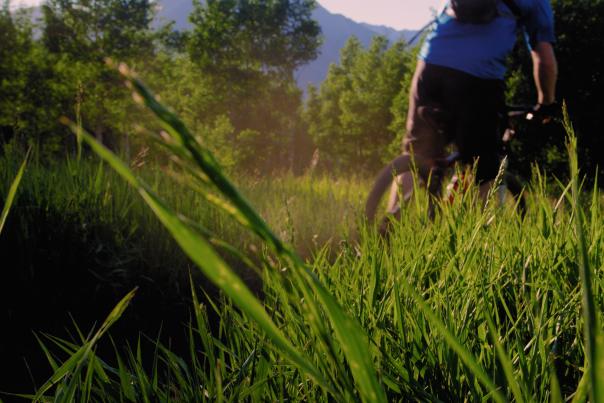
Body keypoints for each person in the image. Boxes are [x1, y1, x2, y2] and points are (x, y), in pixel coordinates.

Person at [386, 0, 558, 216]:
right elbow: (544, 58)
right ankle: (467, 232)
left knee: (415, 153)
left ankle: (387, 230)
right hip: (479, 81)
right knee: (483, 168)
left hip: (430, 66)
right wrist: (546, 103)